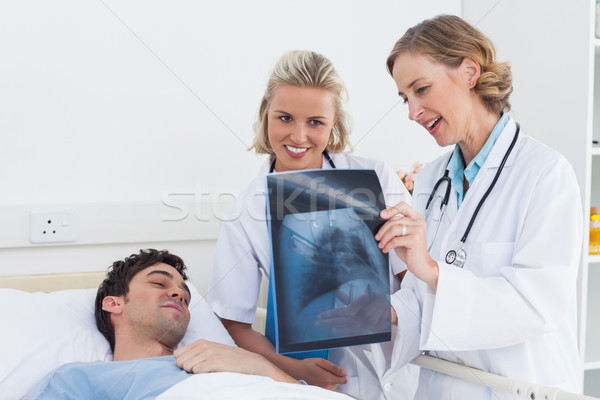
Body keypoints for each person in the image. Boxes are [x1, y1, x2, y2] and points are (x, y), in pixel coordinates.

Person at [376, 14, 582, 398]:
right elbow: (425, 299)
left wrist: (433, 270)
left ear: (469, 70)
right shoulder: (430, 179)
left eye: (422, 89)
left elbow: (537, 306)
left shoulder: (545, 174)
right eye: (405, 98)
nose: (411, 112)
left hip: (517, 389)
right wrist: (380, 313)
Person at [207, 50, 418, 400]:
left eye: (316, 122)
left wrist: (391, 309)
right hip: (306, 377)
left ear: (334, 123)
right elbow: (232, 323)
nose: (299, 136)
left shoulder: (376, 178)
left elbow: (413, 273)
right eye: (285, 118)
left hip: (396, 366)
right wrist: (288, 368)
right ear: (266, 116)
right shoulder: (243, 213)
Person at [27, 249, 304, 399]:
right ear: (114, 303)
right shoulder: (79, 380)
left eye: (185, 294)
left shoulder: (232, 363)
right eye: (159, 283)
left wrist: (259, 365)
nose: (179, 294)